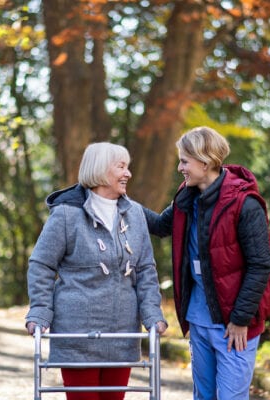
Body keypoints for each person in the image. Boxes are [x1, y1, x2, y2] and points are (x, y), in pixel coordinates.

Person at [25, 142, 168, 400]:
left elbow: (146, 269)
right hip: (78, 335)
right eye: (121, 167)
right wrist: (40, 311)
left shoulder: (134, 214)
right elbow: (41, 264)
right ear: (101, 170)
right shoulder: (67, 215)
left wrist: (152, 314)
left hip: (122, 333)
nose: (128, 174)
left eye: (128, 167)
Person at [143, 126, 270, 400]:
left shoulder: (244, 204)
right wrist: (116, 197)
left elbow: (261, 265)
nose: (180, 167)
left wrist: (240, 320)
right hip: (198, 318)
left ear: (204, 162)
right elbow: (158, 225)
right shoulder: (186, 198)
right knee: (204, 396)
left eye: (184, 161)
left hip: (234, 323)